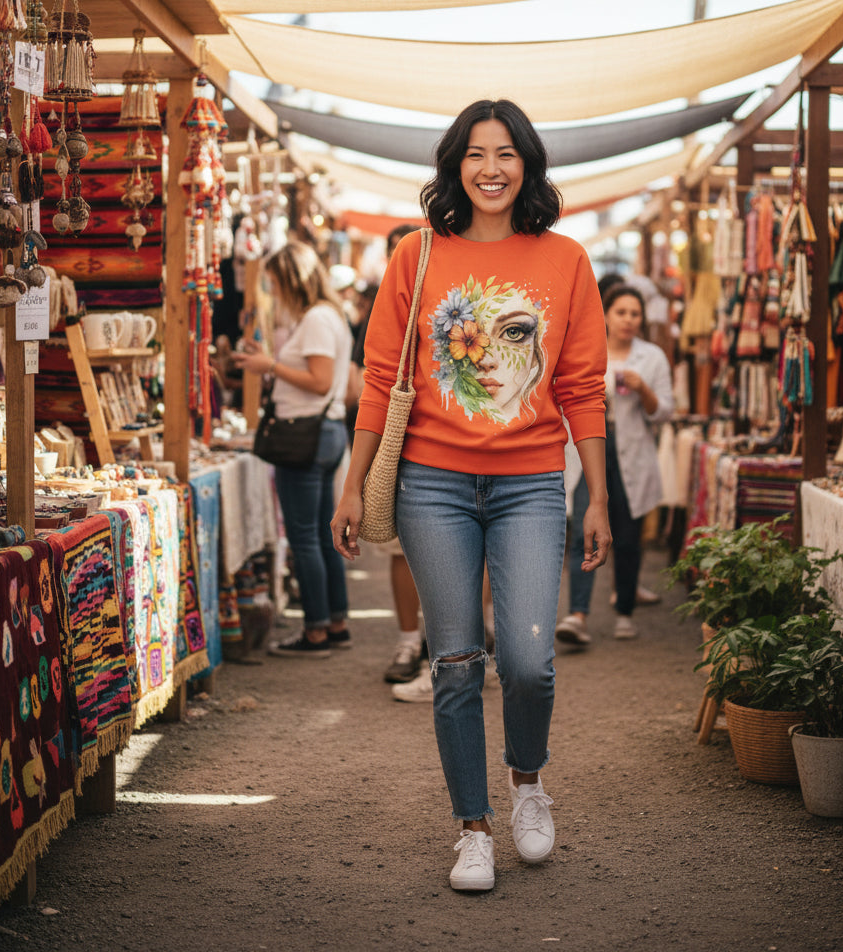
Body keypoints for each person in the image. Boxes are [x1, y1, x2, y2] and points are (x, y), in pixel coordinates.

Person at [332, 98, 611, 892]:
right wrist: (352, 487)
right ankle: (473, 828)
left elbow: (583, 384)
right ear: (455, 164)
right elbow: (382, 381)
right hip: (431, 484)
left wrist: (594, 493)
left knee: (526, 660)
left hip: (529, 481)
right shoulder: (416, 256)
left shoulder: (566, 260)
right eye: (476, 153)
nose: (491, 168)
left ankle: (527, 782)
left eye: (507, 153)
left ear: (529, 164)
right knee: (455, 661)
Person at [234, 240, 353, 657]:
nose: (273, 293)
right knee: (322, 536)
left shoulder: (318, 319)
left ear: (291, 280)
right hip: (322, 432)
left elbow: (319, 380)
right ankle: (334, 623)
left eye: (275, 283)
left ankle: (317, 630)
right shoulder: (326, 316)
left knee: (307, 538)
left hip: (307, 434)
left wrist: (270, 366)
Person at [556, 283, 673, 646]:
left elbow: (664, 413)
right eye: (621, 312)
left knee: (626, 535)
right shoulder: (586, 350)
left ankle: (624, 611)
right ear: (606, 314)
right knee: (582, 534)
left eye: (635, 314)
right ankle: (578, 615)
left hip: (631, 456)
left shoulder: (652, 357)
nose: (628, 320)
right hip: (588, 453)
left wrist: (643, 390)